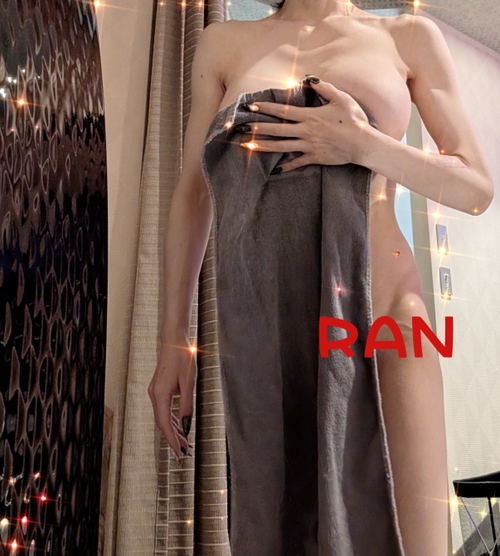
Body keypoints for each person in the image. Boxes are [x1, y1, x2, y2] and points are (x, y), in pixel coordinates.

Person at [148, 1, 494, 555]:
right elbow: (193, 192)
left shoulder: (408, 36)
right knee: (280, 528)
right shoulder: (223, 43)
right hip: (268, 329)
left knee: (411, 538)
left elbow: (476, 188)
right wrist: (173, 341)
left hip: (386, 315)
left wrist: (364, 145)